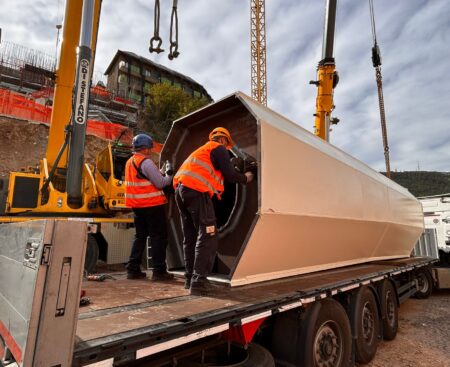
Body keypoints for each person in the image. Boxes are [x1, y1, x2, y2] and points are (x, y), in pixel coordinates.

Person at [173, 127, 254, 294]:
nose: (227, 149)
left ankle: (190, 279)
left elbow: (218, 174)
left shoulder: (202, 151)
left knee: (190, 236)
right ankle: (199, 281)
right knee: (208, 235)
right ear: (224, 140)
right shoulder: (218, 148)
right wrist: (246, 177)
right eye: (228, 145)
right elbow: (231, 175)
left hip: (181, 192)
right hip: (196, 191)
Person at [125, 133, 174, 281]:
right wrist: (169, 176)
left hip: (137, 206)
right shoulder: (146, 162)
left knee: (140, 236)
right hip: (152, 206)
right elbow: (160, 183)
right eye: (150, 148)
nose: (151, 151)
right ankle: (159, 271)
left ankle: (132, 269)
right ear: (145, 148)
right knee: (158, 237)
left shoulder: (130, 162)